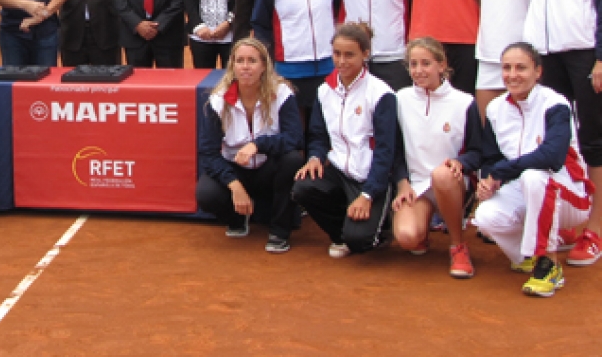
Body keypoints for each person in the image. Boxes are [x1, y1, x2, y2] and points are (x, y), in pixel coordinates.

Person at [523, 0, 602, 265]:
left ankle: (597, 228)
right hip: (548, 53)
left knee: (594, 141)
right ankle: (574, 215)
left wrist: (601, 56)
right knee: (560, 139)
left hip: (585, 50)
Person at [472, 43, 594, 297]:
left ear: (537, 72)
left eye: (521, 68)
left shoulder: (555, 104)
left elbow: (552, 157)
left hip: (570, 195)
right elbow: (491, 158)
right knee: (485, 217)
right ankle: (528, 256)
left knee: (534, 176)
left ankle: (549, 264)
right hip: (526, 188)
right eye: (507, 68)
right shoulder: (495, 109)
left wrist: (501, 171)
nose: (513, 74)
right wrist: (488, 180)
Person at [293, 23, 397, 257]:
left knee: (361, 242)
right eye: (337, 54)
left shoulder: (381, 94)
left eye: (349, 54)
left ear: (365, 54)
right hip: (340, 171)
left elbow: (385, 151)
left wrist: (368, 195)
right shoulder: (324, 91)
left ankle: (381, 227)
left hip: (372, 177)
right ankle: (342, 232)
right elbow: (318, 134)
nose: (342, 61)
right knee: (303, 187)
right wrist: (315, 157)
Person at [196, 38, 305, 252]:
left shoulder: (282, 94)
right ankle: (238, 219)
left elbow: (295, 138)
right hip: (235, 168)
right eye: (240, 61)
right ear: (232, 65)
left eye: (252, 61)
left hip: (268, 168)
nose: (245, 66)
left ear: (264, 66)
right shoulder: (217, 100)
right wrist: (234, 185)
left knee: (292, 159)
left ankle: (279, 231)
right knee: (206, 194)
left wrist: (258, 144)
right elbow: (208, 153)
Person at [392, 37, 482, 278]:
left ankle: (457, 245)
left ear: (442, 66)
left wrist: (461, 163)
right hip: (417, 186)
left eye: (426, 63)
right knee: (407, 238)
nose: (419, 71)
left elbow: (478, 151)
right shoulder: (400, 99)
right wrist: (402, 182)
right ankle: (423, 230)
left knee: (441, 174)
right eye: (413, 64)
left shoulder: (464, 103)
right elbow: (394, 149)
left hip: (452, 183)